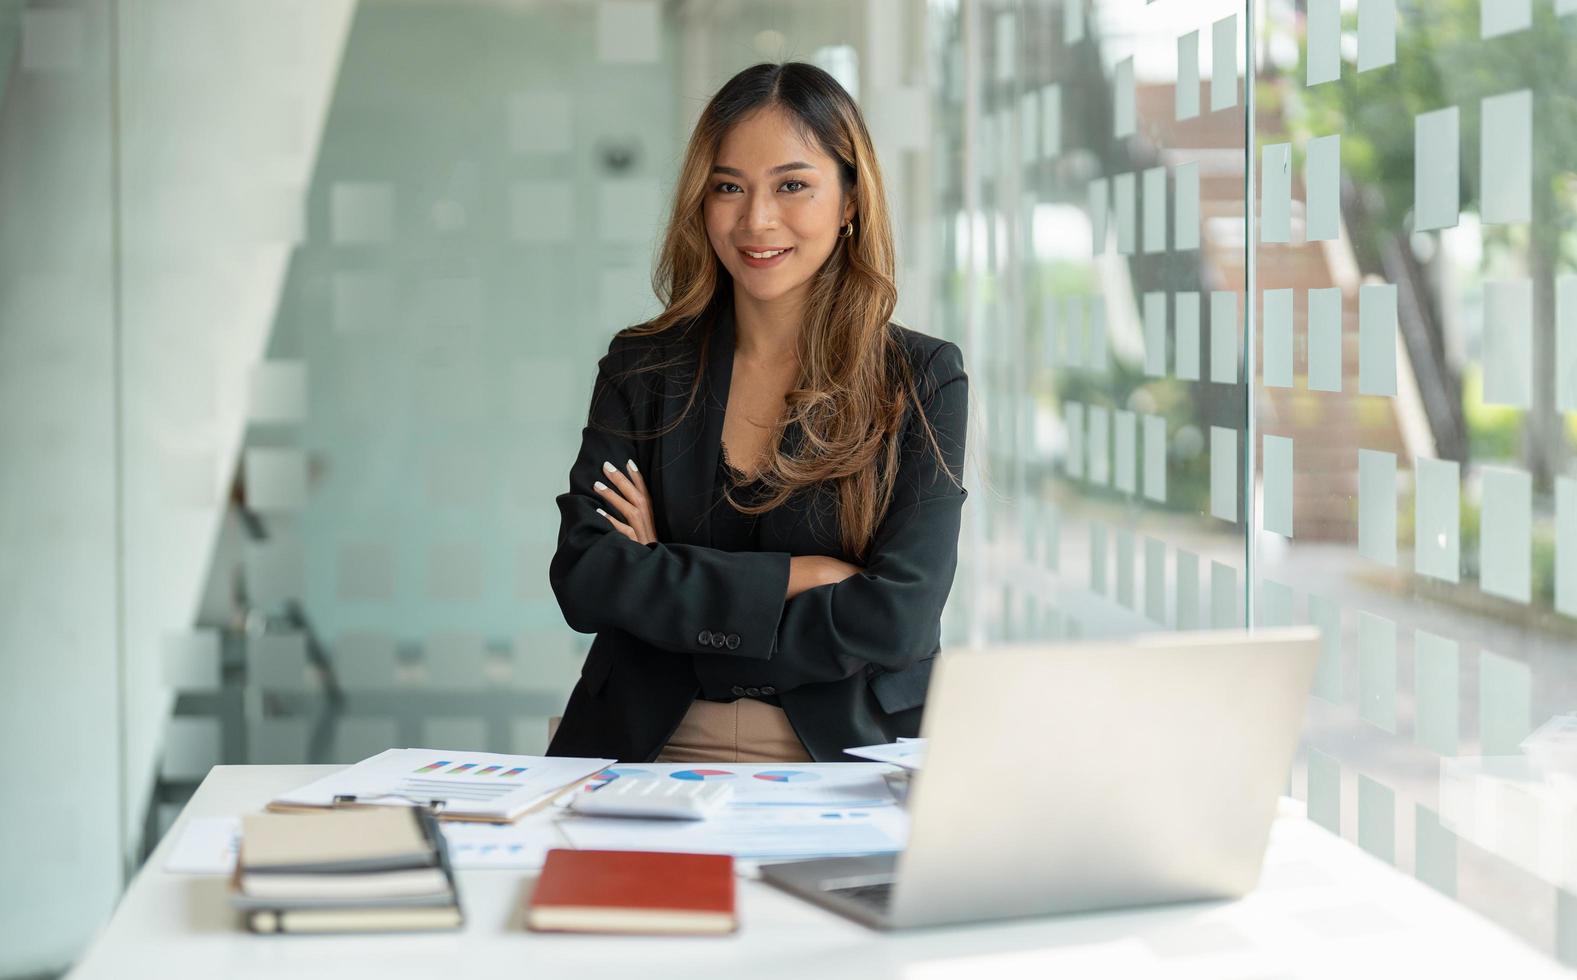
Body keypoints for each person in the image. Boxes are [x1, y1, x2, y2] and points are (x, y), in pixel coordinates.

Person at [544, 61, 968, 764]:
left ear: (849, 200)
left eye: (792, 185)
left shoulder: (919, 377)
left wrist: (666, 571)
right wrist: (804, 575)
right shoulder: (642, 366)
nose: (755, 220)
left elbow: (896, 620)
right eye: (728, 188)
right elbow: (588, 580)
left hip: (848, 754)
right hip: (646, 745)